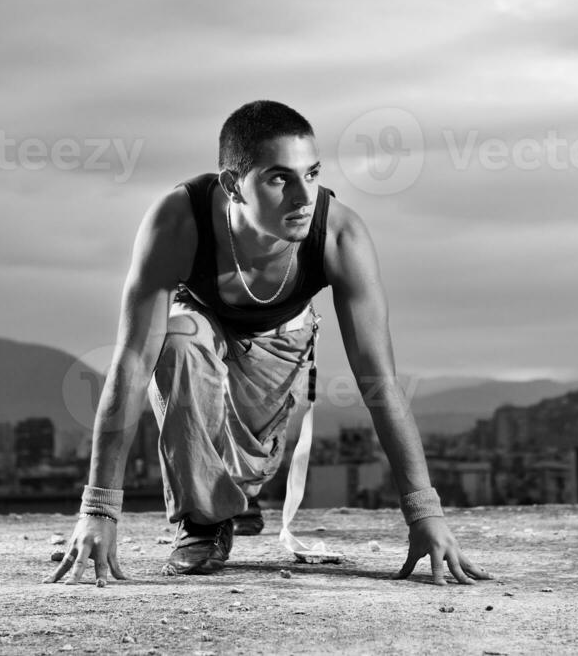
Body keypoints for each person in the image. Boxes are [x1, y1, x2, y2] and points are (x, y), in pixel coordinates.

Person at [45, 100, 492, 587]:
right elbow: (132, 365)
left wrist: (425, 513)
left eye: (312, 173)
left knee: (247, 469)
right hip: (199, 319)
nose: (303, 196)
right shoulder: (179, 222)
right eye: (280, 179)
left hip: (283, 343)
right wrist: (99, 511)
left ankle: (234, 495)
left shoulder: (339, 235)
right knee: (177, 341)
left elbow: (378, 382)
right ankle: (204, 523)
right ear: (233, 184)